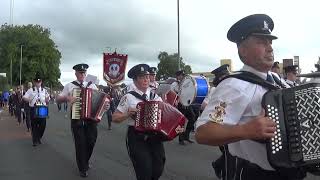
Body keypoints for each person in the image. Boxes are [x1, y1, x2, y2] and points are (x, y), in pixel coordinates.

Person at [195, 14, 306, 180]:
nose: (270, 48)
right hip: (257, 174)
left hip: (291, 171)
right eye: (261, 42)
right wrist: (246, 130)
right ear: (243, 50)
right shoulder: (234, 85)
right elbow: (203, 133)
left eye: (270, 42)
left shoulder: (276, 80)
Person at [112, 64, 183, 180]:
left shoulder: (156, 97)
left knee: (158, 167)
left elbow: (166, 117)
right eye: (141, 77)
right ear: (135, 80)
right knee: (144, 170)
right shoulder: (128, 97)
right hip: (136, 136)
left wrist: (176, 127)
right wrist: (127, 114)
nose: (146, 79)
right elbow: (115, 117)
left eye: (147, 76)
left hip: (154, 137)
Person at [57, 63, 108, 178]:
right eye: (80, 73)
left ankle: (85, 161)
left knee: (91, 142)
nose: (82, 74)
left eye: (84, 73)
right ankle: (82, 168)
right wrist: (67, 97)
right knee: (80, 144)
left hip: (91, 120)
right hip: (77, 118)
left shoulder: (92, 86)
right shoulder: (70, 86)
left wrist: (105, 106)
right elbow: (58, 99)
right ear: (76, 74)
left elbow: (101, 101)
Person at [23, 73, 50, 146]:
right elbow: (24, 97)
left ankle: (38, 137)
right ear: (34, 82)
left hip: (42, 108)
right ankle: (35, 140)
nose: (38, 83)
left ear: (41, 82)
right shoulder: (31, 90)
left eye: (39, 82)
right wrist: (27, 99)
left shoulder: (44, 90)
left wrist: (47, 99)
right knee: (34, 125)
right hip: (33, 108)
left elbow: (47, 99)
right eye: (37, 82)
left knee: (43, 125)